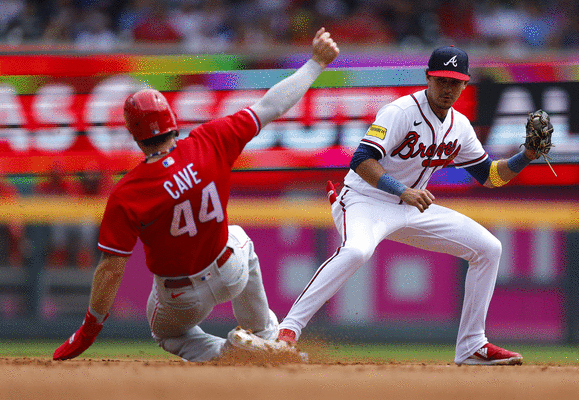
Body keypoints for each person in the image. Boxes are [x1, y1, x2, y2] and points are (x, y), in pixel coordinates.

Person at [53, 27, 339, 362]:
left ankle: (231, 354)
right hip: (229, 269)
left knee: (167, 333)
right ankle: (265, 338)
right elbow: (272, 105)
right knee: (239, 238)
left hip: (180, 296)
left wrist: (89, 330)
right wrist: (316, 63)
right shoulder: (210, 139)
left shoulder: (128, 191)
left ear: (134, 135)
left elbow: (111, 269)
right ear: (172, 121)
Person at [278, 45, 538, 366]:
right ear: (428, 77)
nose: (447, 88)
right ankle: (286, 331)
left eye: (454, 82)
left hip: (410, 206)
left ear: (465, 84)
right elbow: (361, 160)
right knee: (357, 250)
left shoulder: (460, 126)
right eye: (441, 80)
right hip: (365, 199)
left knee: (489, 248)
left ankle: (472, 345)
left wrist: (525, 156)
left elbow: (490, 176)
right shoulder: (400, 111)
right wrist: (402, 191)